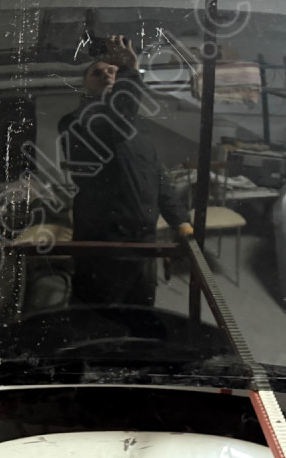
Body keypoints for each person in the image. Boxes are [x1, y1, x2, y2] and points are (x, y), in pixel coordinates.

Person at [59, 35, 194, 307]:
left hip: (142, 240)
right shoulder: (74, 123)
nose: (106, 75)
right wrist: (128, 71)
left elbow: (154, 172)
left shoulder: (136, 123)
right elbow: (116, 121)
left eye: (112, 70)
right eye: (97, 73)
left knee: (140, 311)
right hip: (103, 241)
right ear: (84, 84)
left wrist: (180, 220)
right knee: (96, 315)